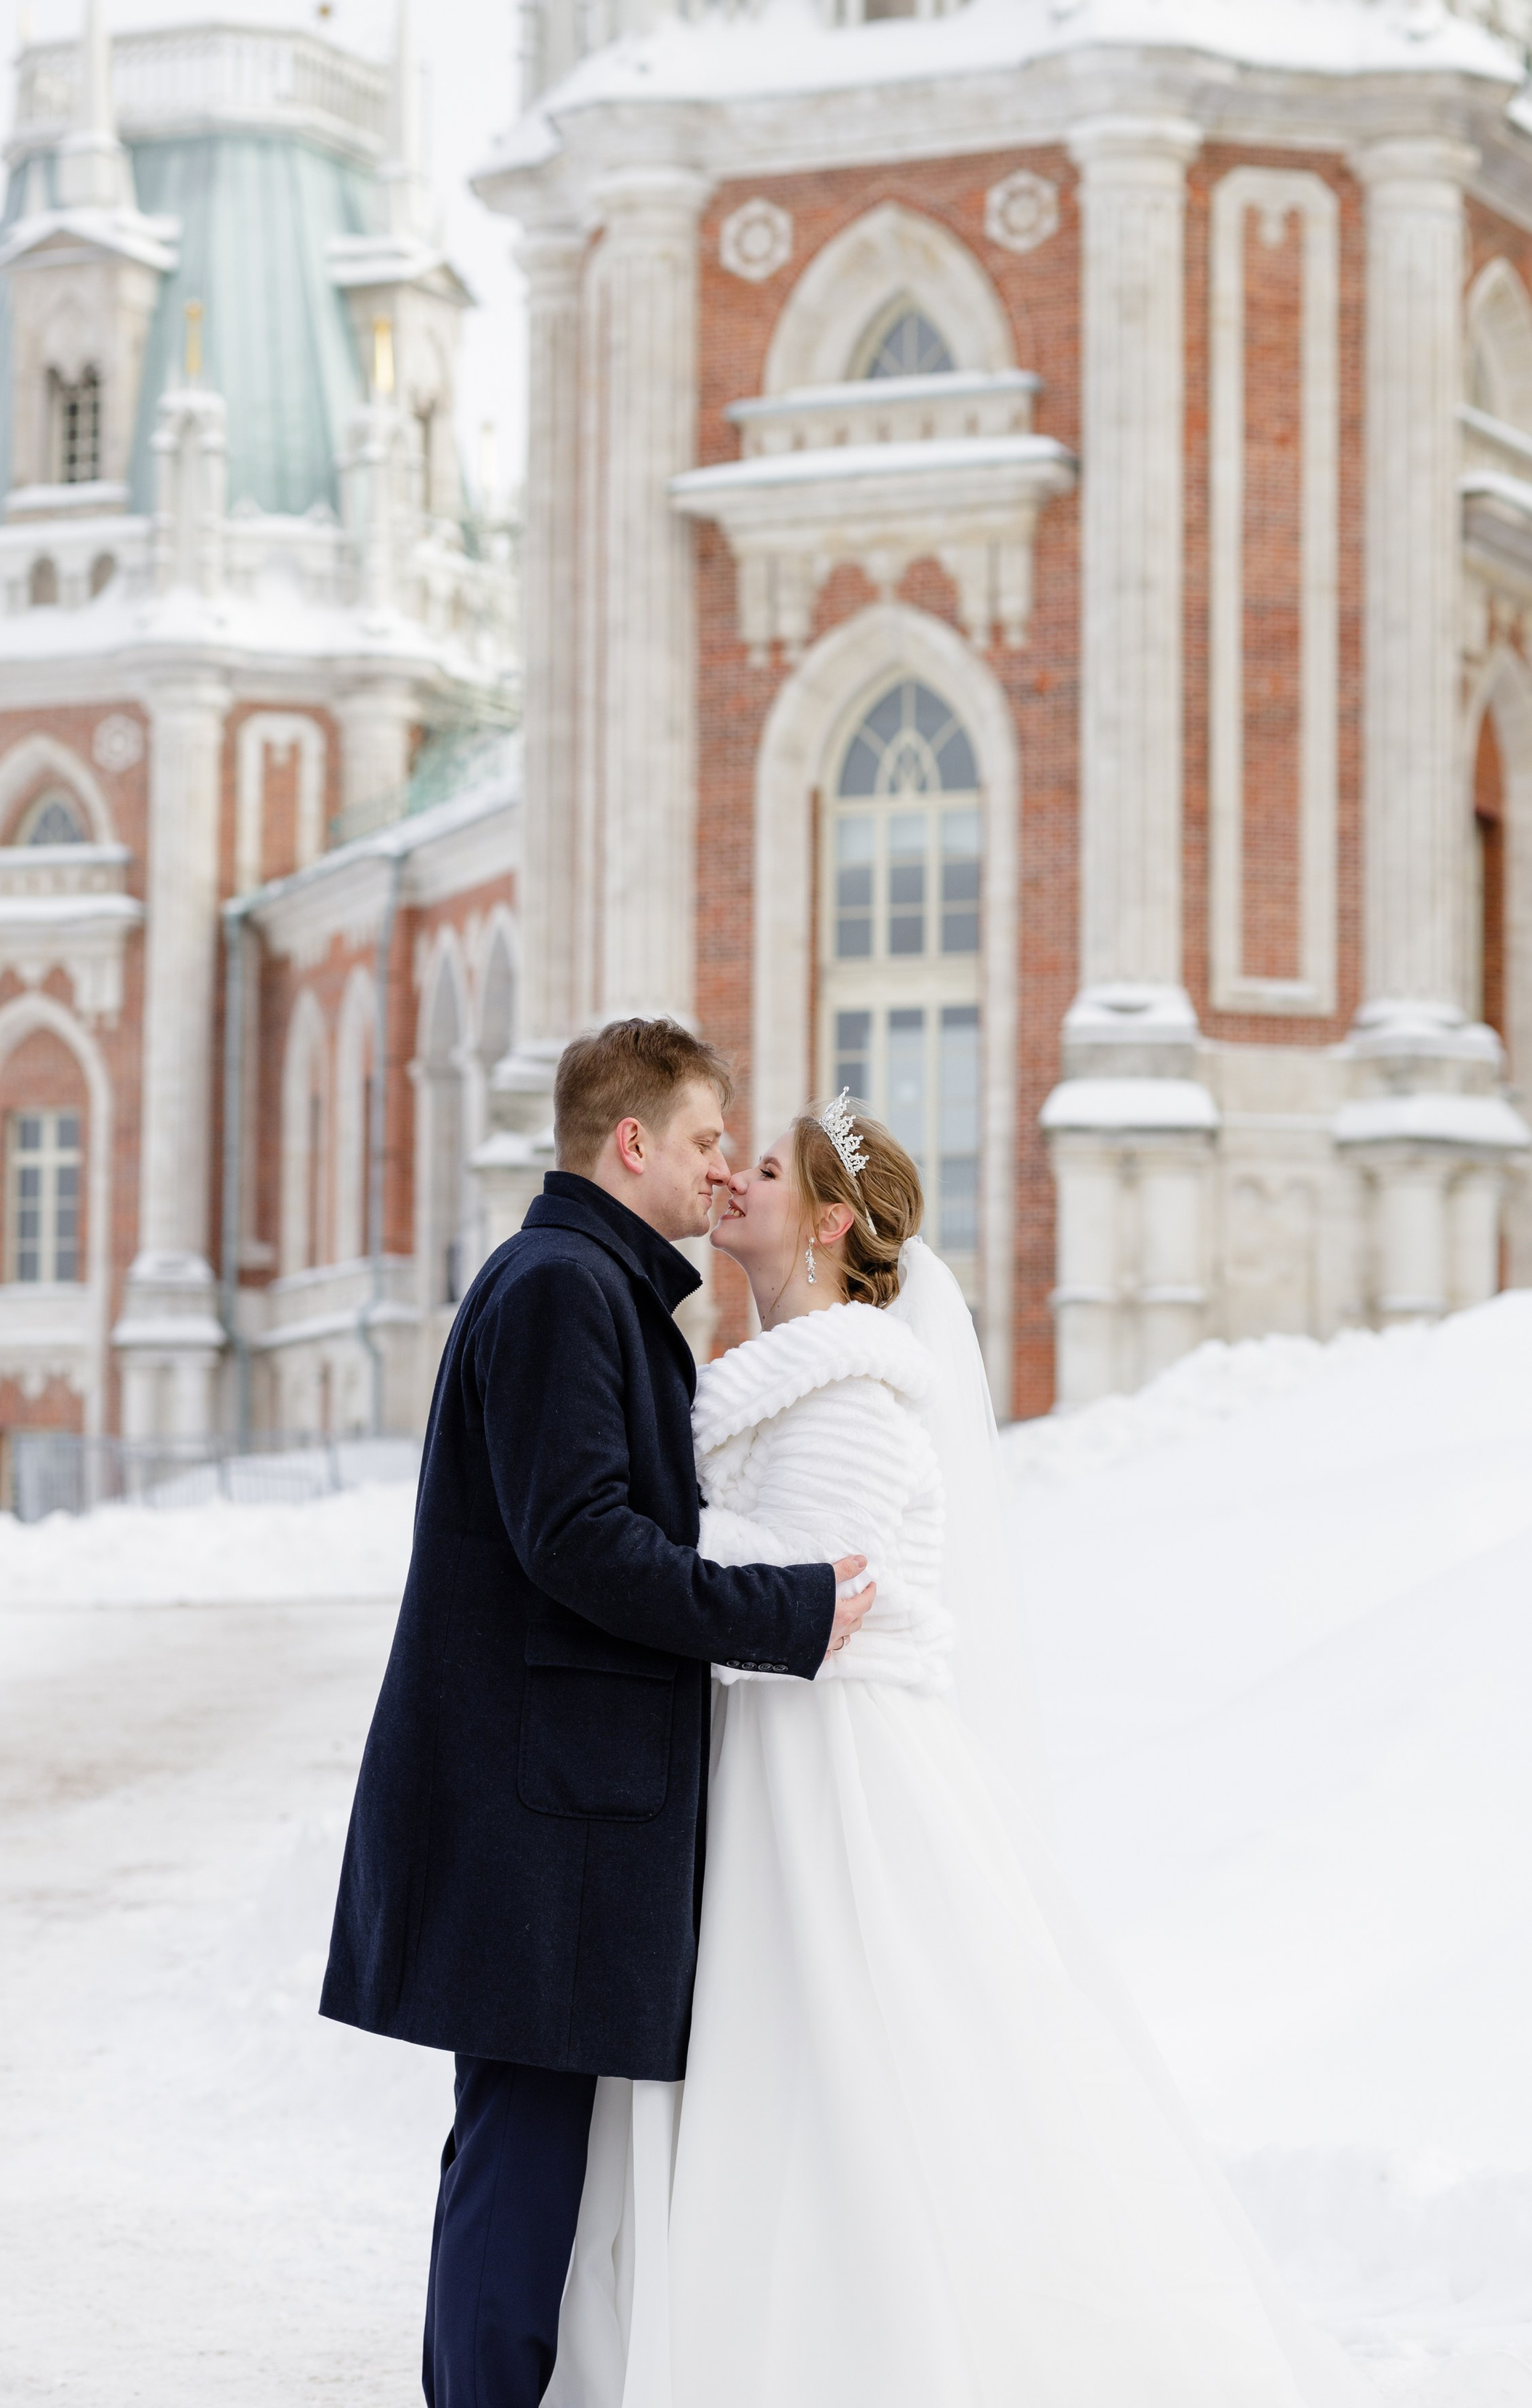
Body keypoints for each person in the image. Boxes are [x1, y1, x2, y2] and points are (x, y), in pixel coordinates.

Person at [547, 1096, 1372, 2408]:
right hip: (758, 1757)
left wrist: (650, 1554)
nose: (735, 1182)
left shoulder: (858, 1394)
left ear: (826, 1221)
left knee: (863, 2064)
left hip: (830, 1772)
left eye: (764, 1169)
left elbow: (825, 1592)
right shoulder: (768, 1383)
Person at [320, 1018, 877, 2408]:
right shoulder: (566, 1288)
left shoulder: (580, 1282)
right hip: (540, 1816)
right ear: (630, 1142)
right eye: (700, 1140)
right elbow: (578, 1541)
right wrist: (784, 1613)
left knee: (516, 2145)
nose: (713, 1171)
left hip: (543, 1806)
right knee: (519, 2154)